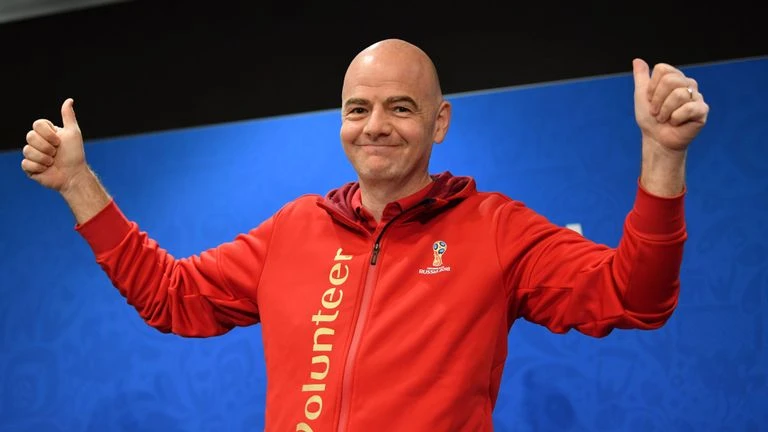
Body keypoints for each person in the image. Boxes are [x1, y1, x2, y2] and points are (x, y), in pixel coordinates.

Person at [21, 38, 708, 431]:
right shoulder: (294, 228)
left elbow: (635, 297)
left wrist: (663, 156)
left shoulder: (496, 228)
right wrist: (78, 184)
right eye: (358, 109)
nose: (375, 126)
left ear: (440, 122)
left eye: (400, 108)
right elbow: (172, 296)